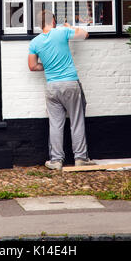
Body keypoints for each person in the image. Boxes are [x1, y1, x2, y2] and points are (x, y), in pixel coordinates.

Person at [28, 9, 95, 170]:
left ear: (39, 25)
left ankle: (56, 161)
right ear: (53, 21)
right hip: (70, 83)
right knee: (76, 121)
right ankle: (80, 158)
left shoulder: (34, 43)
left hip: (52, 86)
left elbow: (32, 66)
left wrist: (49, 66)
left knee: (55, 124)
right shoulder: (62, 32)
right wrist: (70, 26)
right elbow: (85, 34)